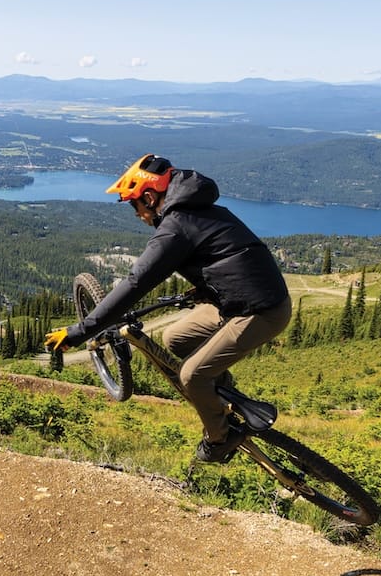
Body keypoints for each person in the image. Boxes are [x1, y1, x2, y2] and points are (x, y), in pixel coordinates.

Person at [45, 154, 292, 462]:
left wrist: (77, 333)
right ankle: (226, 395)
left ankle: (221, 437)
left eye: (135, 206)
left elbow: (134, 285)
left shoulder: (175, 228)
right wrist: (203, 288)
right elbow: (229, 254)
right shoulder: (199, 209)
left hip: (260, 312)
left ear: (149, 197)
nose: (137, 214)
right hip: (237, 301)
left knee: (192, 376)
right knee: (175, 338)